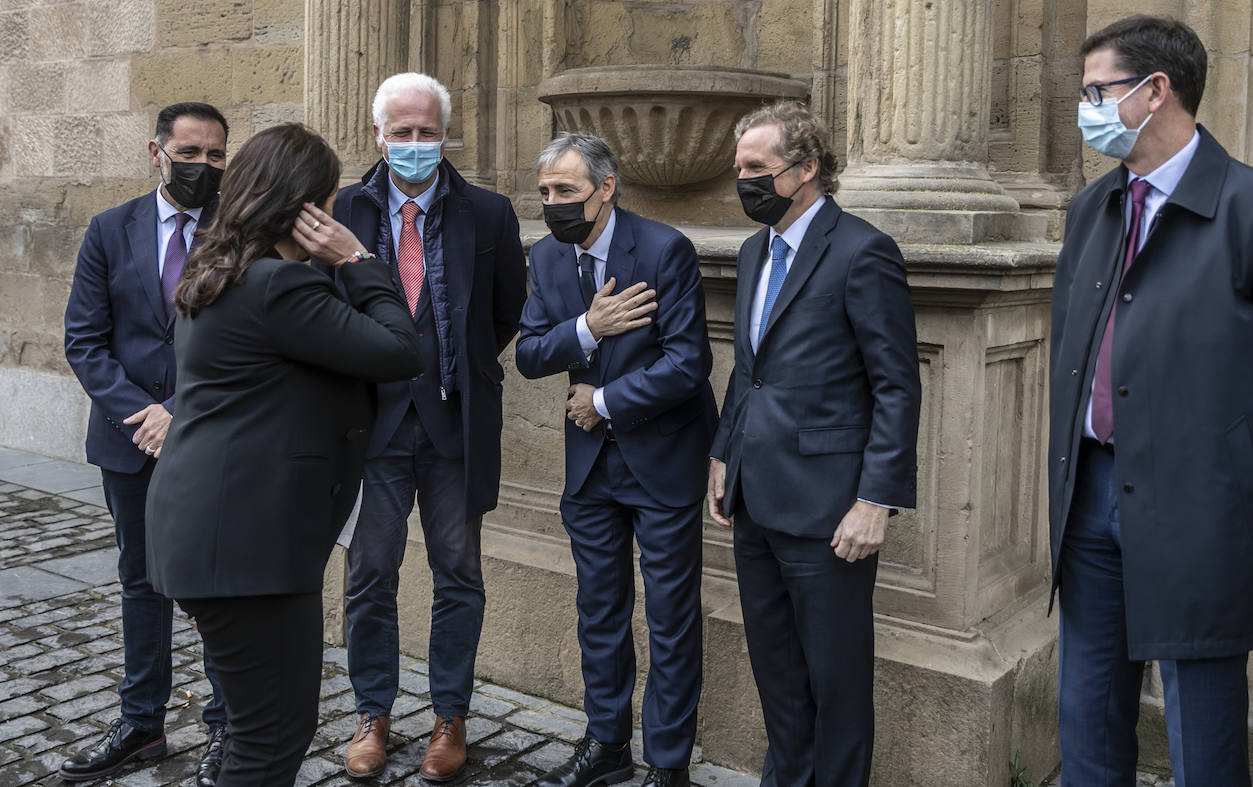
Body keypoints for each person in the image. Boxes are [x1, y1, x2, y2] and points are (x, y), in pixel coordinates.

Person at [1050, 16, 1253, 785]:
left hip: (1201, 497)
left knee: (1202, 723)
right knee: (1088, 706)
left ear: (1157, 92)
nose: (1085, 108)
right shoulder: (1092, 208)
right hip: (1088, 492)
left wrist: (1240, 459)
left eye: (1098, 90)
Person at [142, 122, 422, 785]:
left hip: (220, 537)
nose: (329, 218)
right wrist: (357, 258)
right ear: (293, 204)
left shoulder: (219, 271)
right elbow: (398, 351)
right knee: (270, 742)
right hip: (247, 549)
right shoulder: (276, 285)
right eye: (323, 204)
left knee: (255, 731)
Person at [707, 102, 921, 787]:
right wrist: (722, 453)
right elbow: (750, 368)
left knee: (837, 682)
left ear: (805, 170)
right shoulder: (752, 251)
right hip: (755, 501)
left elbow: (897, 386)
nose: (742, 180)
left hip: (830, 514)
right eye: (738, 167)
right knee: (777, 670)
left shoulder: (863, 251)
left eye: (756, 169)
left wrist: (875, 501)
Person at [335, 72, 527, 783]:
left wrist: (457, 367)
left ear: (445, 134)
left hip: (454, 427)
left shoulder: (488, 212)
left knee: (459, 572)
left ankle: (451, 715)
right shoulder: (340, 210)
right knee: (370, 572)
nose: (415, 145)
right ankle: (372, 712)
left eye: (427, 132)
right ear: (377, 135)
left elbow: (506, 310)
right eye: (402, 132)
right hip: (371, 427)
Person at [517, 133, 718, 787]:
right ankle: (606, 745)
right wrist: (587, 329)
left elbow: (689, 363)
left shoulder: (664, 249)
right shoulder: (546, 256)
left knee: (669, 614)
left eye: (566, 191)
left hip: (662, 459)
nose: (554, 203)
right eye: (546, 192)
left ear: (605, 188)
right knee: (599, 610)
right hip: (591, 469)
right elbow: (529, 352)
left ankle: (667, 763)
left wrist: (602, 398)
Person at [61, 101, 232, 785]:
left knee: (218, 583)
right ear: (155, 151)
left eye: (216, 155)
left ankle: (229, 726)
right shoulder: (110, 229)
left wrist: (177, 411)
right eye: (189, 153)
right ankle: (142, 722)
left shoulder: (240, 232)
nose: (203, 166)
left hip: (212, 439)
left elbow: (242, 347)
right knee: (141, 581)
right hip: (129, 442)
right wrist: (145, 415)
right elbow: (84, 340)